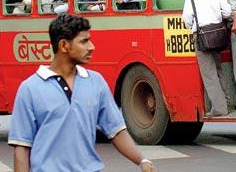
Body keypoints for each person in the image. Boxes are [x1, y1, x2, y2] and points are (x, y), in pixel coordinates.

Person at [9, 14, 156, 172]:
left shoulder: (96, 82)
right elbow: (22, 148)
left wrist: (142, 160)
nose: (91, 47)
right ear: (64, 45)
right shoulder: (30, 89)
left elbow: (116, 131)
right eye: (84, 41)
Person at [182, 0, 231, 117]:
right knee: (218, 69)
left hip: (202, 36)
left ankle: (219, 108)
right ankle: (228, 102)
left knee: (209, 74)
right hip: (217, 34)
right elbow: (228, 12)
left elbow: (187, 20)